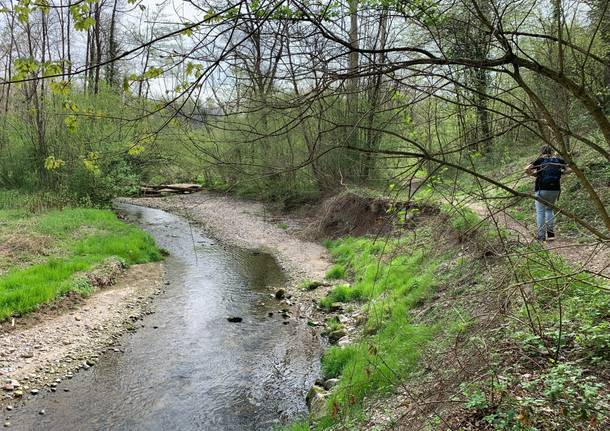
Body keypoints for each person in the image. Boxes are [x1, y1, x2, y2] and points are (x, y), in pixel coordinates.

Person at [525, 145, 571, 241]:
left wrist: (534, 175)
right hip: (555, 189)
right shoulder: (558, 160)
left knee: (540, 212)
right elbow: (570, 169)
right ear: (552, 152)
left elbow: (526, 169)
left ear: (541, 152)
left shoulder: (539, 160)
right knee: (549, 210)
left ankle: (541, 237)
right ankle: (551, 235)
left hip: (541, 189)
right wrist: (560, 173)